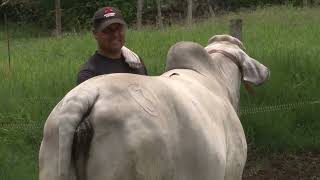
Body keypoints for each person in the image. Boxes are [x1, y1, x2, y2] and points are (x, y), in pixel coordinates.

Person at [77, 6, 148, 85]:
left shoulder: (136, 63)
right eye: (107, 30)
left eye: (119, 29)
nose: (115, 34)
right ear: (95, 33)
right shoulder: (89, 74)